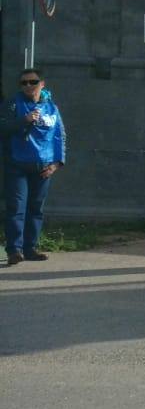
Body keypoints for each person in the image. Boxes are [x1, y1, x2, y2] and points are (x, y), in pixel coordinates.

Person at [4, 68, 66, 266]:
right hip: (18, 164)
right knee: (16, 208)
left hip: (44, 166)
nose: (28, 86)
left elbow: (60, 136)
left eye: (33, 81)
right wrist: (24, 120)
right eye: (24, 83)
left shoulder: (51, 108)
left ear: (42, 83)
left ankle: (30, 248)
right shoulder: (13, 104)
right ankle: (15, 250)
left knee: (36, 209)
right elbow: (3, 127)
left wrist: (57, 163)